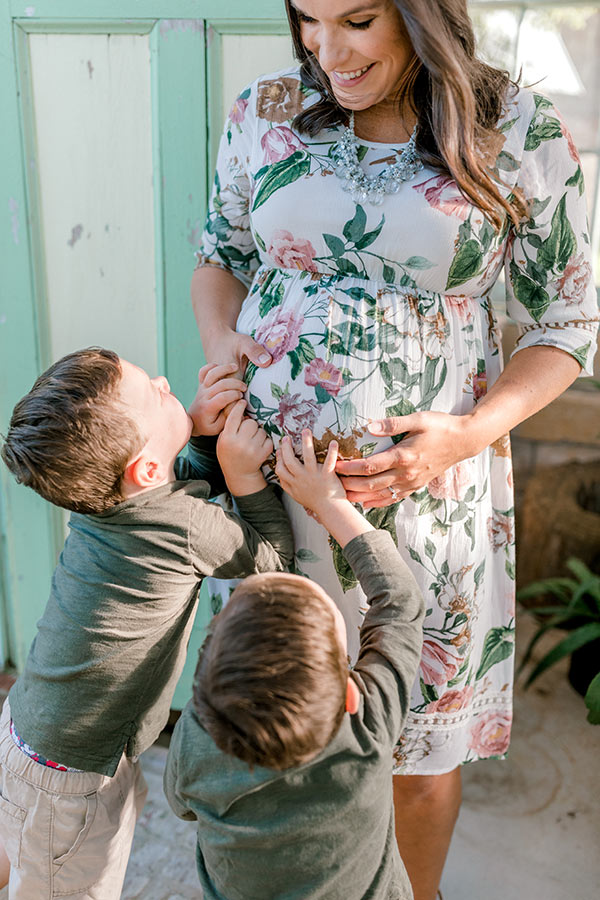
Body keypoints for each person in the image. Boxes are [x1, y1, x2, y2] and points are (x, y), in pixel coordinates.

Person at [189, 2, 599, 897]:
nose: (325, 50)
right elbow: (219, 255)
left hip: (428, 494)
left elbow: (566, 324)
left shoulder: (514, 130)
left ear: (423, 15)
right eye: (307, 19)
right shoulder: (265, 111)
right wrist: (225, 348)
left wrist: (461, 438)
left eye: (359, 21)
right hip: (266, 485)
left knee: (413, 742)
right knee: (274, 720)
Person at [0, 348, 294, 900]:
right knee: (64, 880)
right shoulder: (183, 528)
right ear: (146, 469)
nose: (164, 380)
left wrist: (202, 443)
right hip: (75, 773)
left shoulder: (99, 499)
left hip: (28, 734)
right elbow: (273, 566)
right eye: (155, 393)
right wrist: (245, 479)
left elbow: (172, 495)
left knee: (24, 840)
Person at [165, 430, 425, 900]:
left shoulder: (199, 736)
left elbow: (182, 806)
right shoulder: (367, 733)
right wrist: (330, 505)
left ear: (203, 693)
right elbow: (401, 602)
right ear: (351, 694)